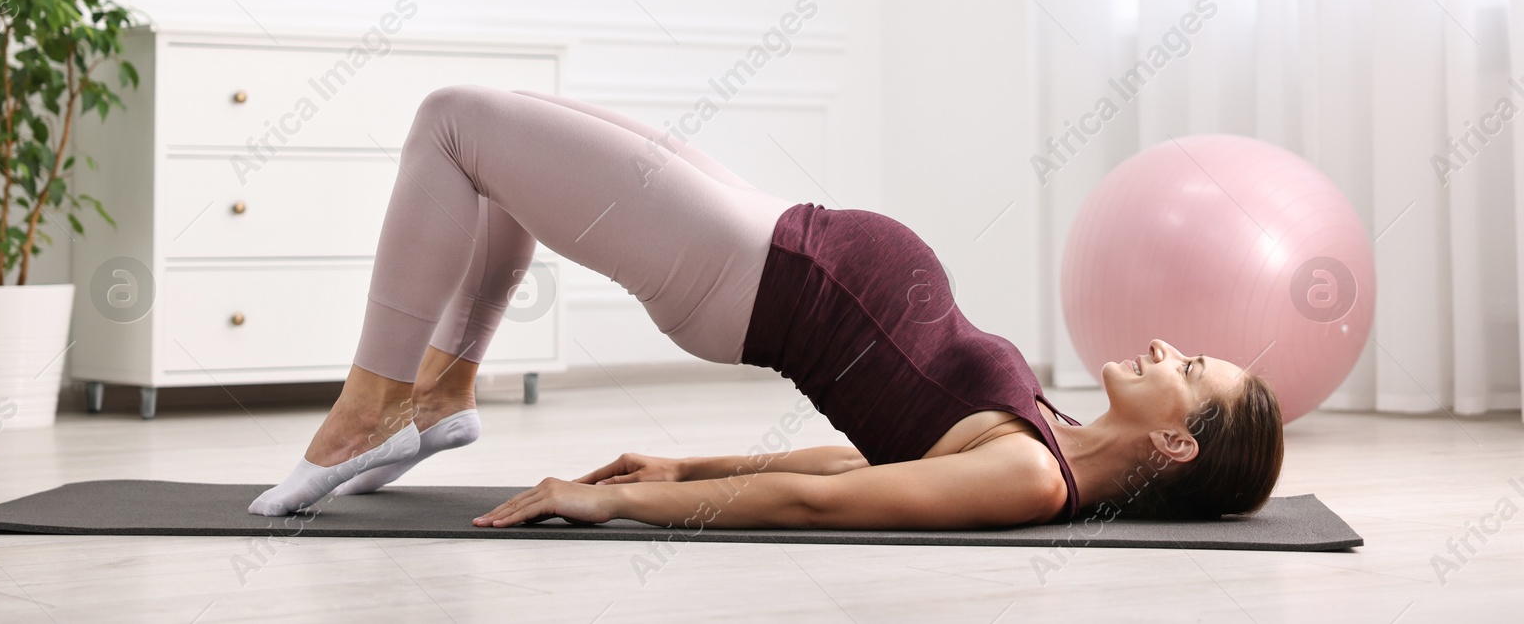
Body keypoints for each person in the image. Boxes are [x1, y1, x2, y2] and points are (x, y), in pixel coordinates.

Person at [250, 87, 1285, 527]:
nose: (1166, 347)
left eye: (1190, 369)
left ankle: (368, 406)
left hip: (740, 270)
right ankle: (442, 394)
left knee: (452, 124)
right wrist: (687, 463)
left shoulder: (1029, 475)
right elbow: (865, 465)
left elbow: (824, 506)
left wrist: (614, 501)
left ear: (1181, 446)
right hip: (767, 232)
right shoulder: (1049, 438)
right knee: (497, 150)